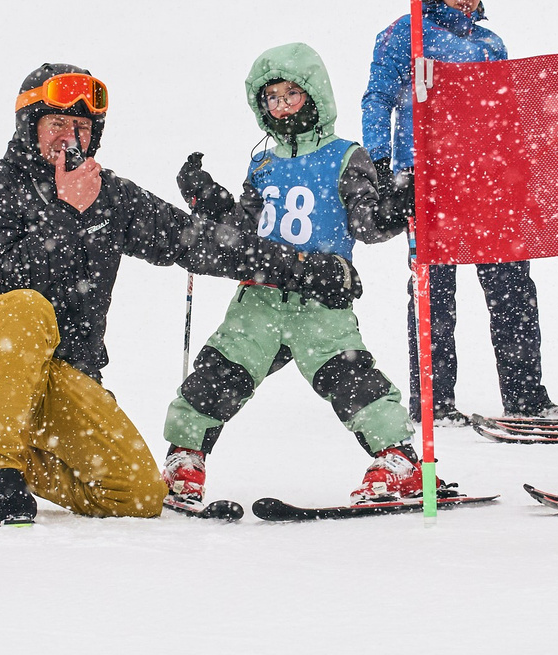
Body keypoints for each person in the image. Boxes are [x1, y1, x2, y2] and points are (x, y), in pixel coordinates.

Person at [0, 63, 357, 525]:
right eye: (56, 123)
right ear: (29, 127)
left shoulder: (111, 195)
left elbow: (199, 242)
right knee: (25, 306)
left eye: (81, 127)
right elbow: (5, 280)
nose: (69, 137)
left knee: (136, 494)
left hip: (68, 374)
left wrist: (301, 268)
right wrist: (65, 210)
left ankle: (0, 444)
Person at [162, 45, 448, 507]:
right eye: (271, 98)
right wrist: (210, 199)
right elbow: (243, 231)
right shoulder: (263, 164)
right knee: (219, 371)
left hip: (321, 295)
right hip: (260, 297)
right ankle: (185, 457)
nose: (280, 106)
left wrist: (397, 201)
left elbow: (365, 225)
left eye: (291, 94)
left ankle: (399, 460)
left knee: (348, 376)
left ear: (314, 96)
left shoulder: (344, 156)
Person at [361, 0, 556, 422]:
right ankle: (434, 403)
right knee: (434, 293)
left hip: (487, 182)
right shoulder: (405, 32)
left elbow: (506, 114)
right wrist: (384, 167)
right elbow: (377, 98)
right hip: (428, 181)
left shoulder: (492, 45)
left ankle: (526, 398)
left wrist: (518, 171)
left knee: (511, 286)